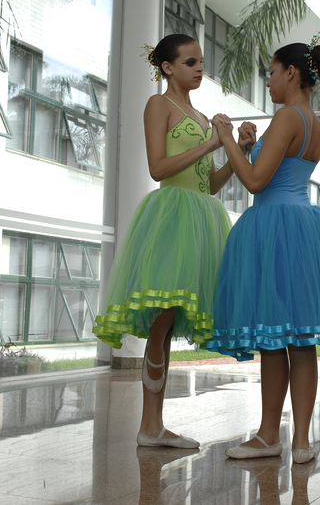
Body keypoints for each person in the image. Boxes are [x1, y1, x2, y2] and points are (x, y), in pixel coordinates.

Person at [207, 37, 320, 464]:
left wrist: (227, 139)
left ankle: (269, 435)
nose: (267, 81)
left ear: (291, 72)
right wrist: (247, 146)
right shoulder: (314, 123)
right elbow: (277, 173)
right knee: (301, 341)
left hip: (273, 228)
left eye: (270, 72)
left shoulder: (286, 117)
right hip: (304, 228)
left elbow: (256, 182)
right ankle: (301, 441)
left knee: (272, 339)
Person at [93, 34, 256, 448]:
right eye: (190, 62)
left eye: (200, 61)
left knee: (166, 325)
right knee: (162, 319)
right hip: (172, 218)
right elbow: (158, 168)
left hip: (202, 217)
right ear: (168, 67)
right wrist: (212, 142)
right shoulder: (158, 105)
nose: (200, 68)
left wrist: (237, 150)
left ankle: (154, 426)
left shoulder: (201, 116)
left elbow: (211, 184)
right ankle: (150, 426)